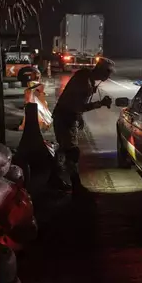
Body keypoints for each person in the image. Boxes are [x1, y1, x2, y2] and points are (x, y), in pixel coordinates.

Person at [51, 58, 115, 192]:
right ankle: (75, 185)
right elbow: (78, 105)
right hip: (65, 118)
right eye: (108, 72)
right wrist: (100, 104)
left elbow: (75, 103)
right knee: (72, 152)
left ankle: (54, 179)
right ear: (102, 71)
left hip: (66, 116)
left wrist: (78, 117)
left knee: (63, 150)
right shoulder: (85, 82)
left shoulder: (86, 77)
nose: (109, 76)